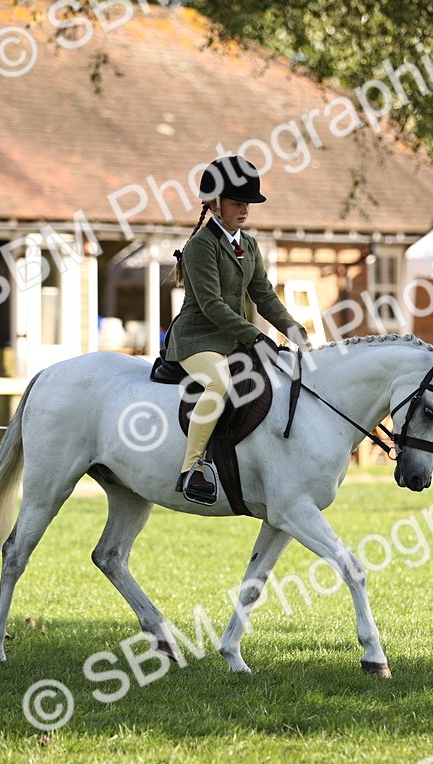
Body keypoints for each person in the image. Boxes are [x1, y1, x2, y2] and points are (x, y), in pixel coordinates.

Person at [164, 155, 307, 504]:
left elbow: (263, 295)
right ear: (215, 204)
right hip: (197, 339)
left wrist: (294, 329)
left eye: (247, 204)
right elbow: (212, 306)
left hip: (232, 341)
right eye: (237, 203)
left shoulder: (250, 245)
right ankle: (191, 469)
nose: (244, 210)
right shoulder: (200, 246)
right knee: (220, 382)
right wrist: (256, 336)